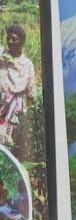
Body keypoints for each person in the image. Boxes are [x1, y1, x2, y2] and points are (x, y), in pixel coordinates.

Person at [0, 24, 35, 156]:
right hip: (1, 103)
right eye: (8, 38)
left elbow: (30, 93)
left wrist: (29, 117)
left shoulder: (27, 64)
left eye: (14, 39)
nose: (10, 41)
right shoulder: (2, 56)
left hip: (15, 108)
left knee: (9, 143)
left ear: (22, 42)